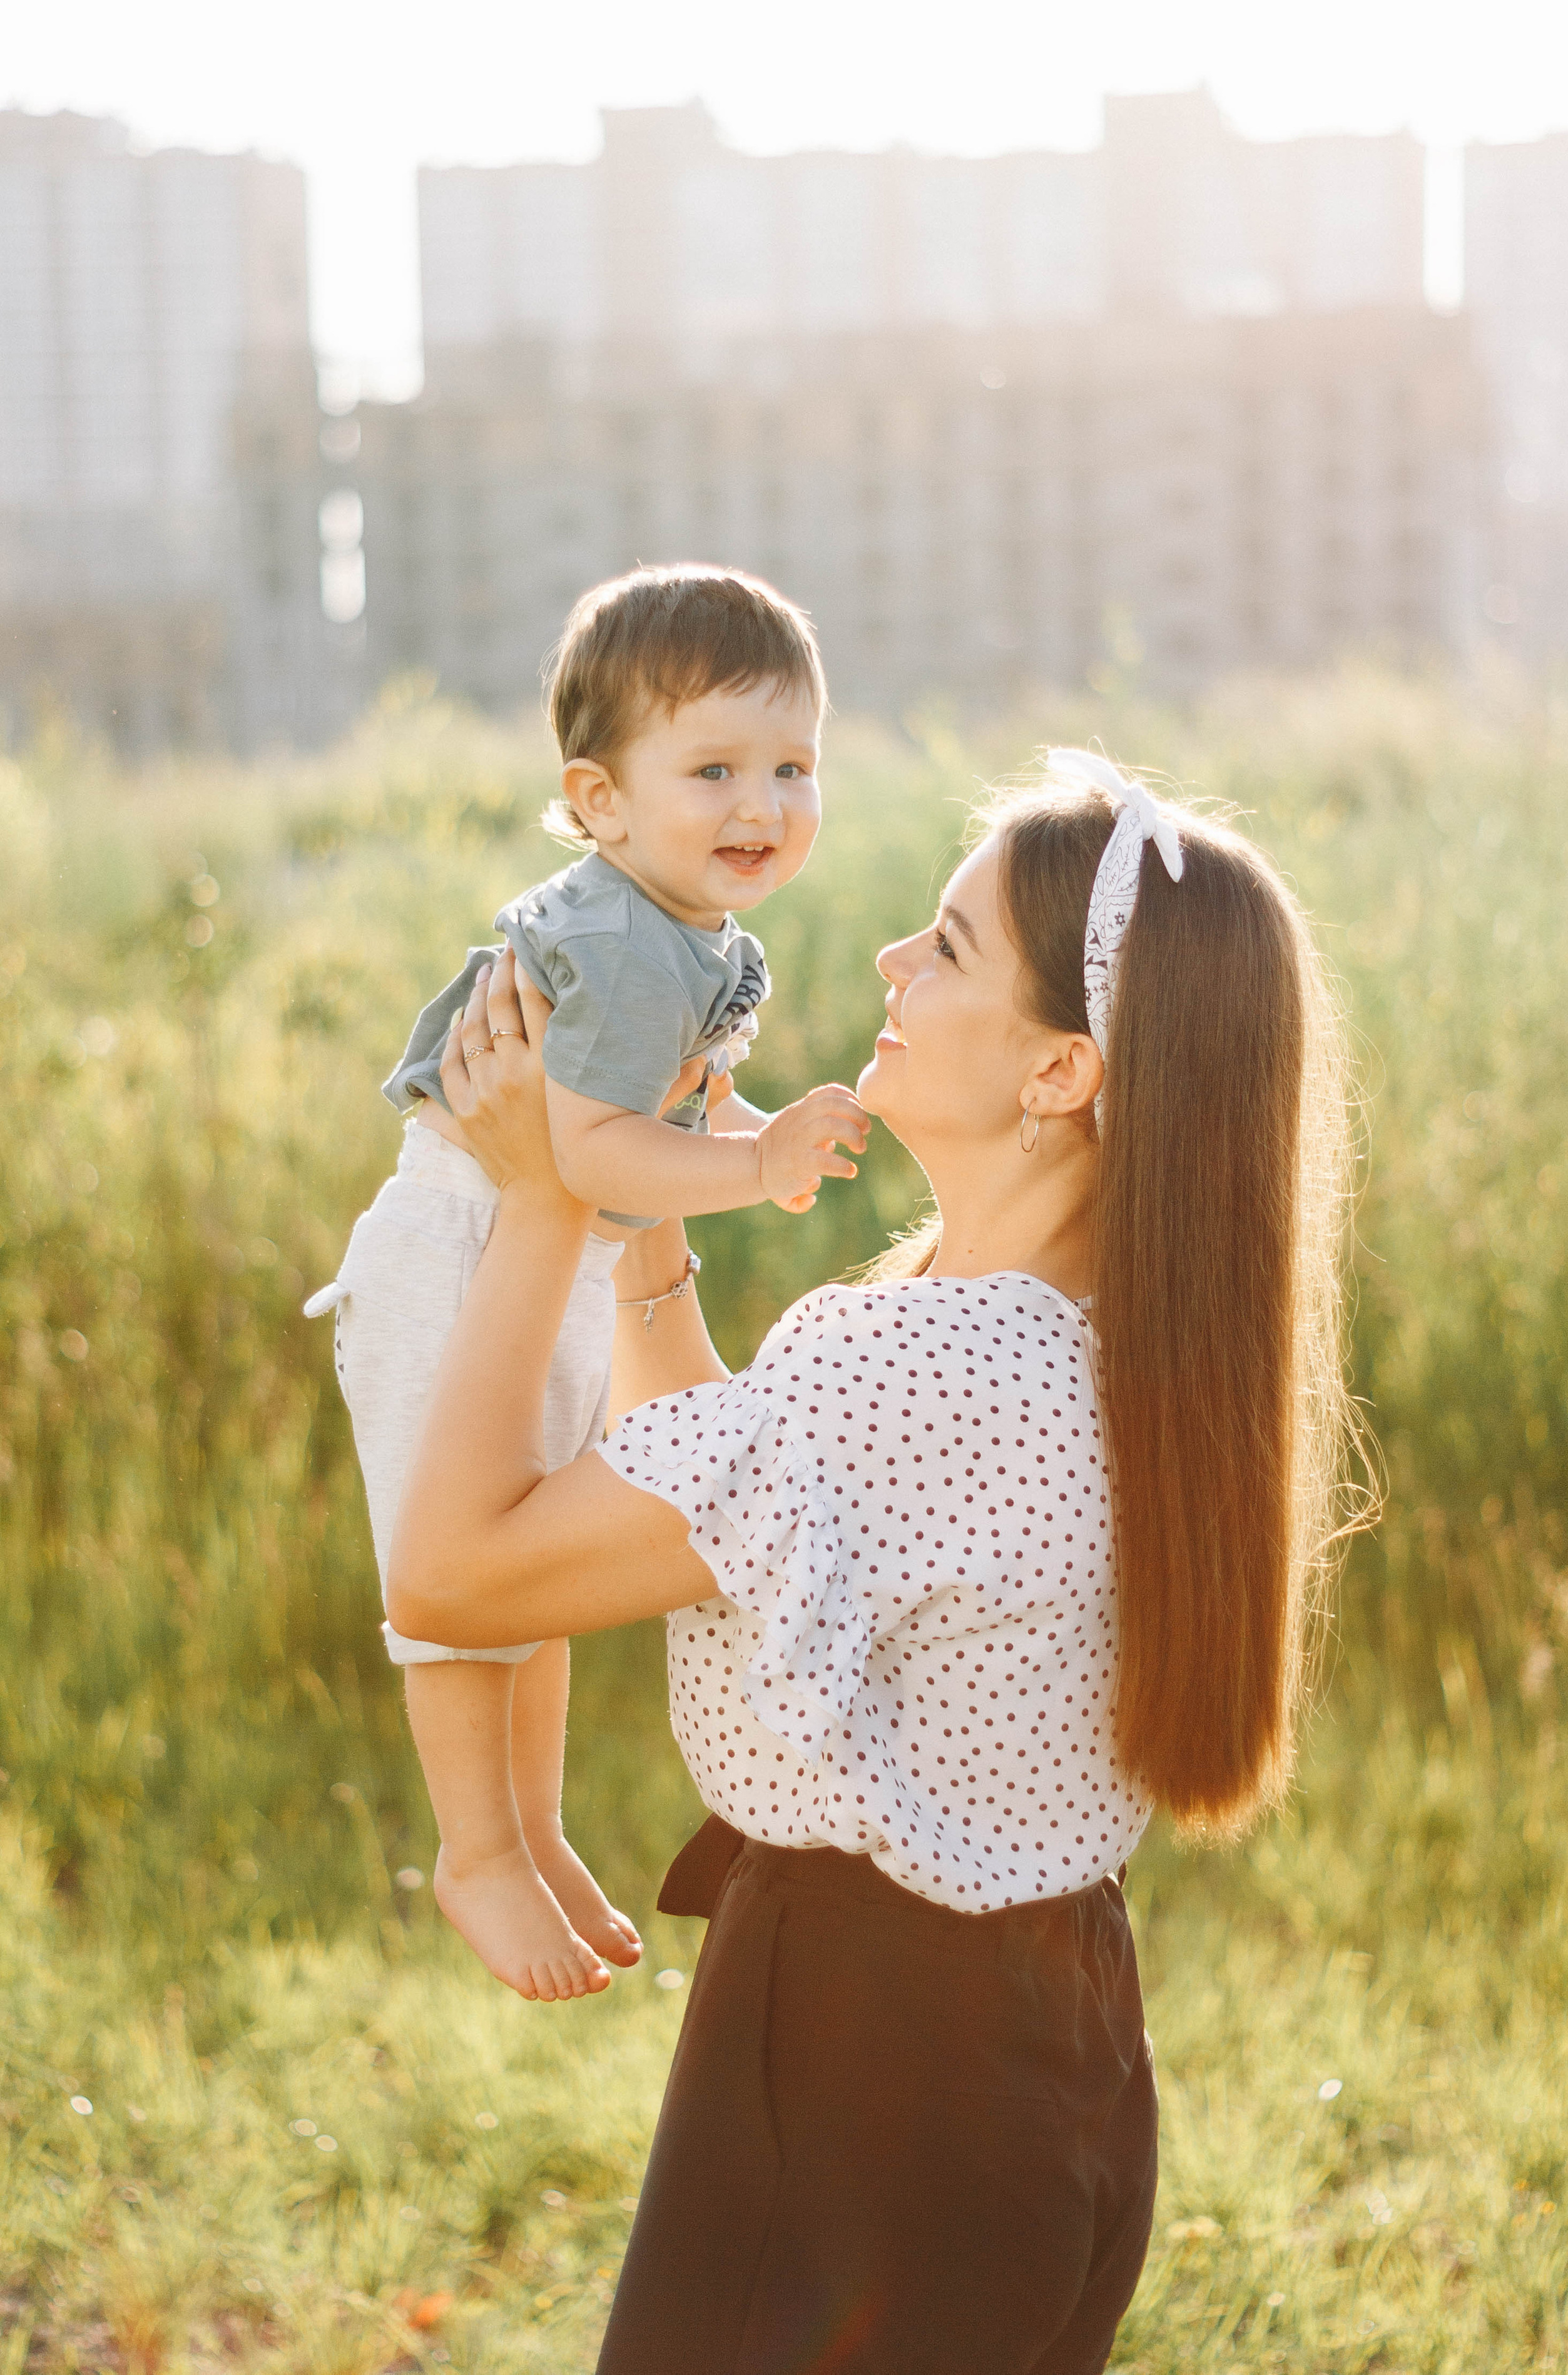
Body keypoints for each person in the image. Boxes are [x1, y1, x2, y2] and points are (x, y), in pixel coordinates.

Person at [385, 752, 1359, 2374]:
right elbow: (729, 1510)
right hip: (1052, 2063)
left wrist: (544, 1196)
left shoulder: (909, 1367)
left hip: (859, 2088)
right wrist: (650, 1232)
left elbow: (453, 1577)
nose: (897, 967)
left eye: (952, 949)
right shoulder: (1112, 1344)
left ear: (1062, 1072)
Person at [305, 564, 868, 2006]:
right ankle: (473, 1847)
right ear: (599, 800)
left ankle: (535, 1830)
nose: (764, 805)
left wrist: (762, 1140)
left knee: (534, 1561)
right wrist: (751, 1171)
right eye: (715, 769)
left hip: (534, 1260)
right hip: (454, 1257)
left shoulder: (689, 928)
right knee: (454, 1577)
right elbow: (591, 1147)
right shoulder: (621, 941)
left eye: (792, 766)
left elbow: (661, 1120)